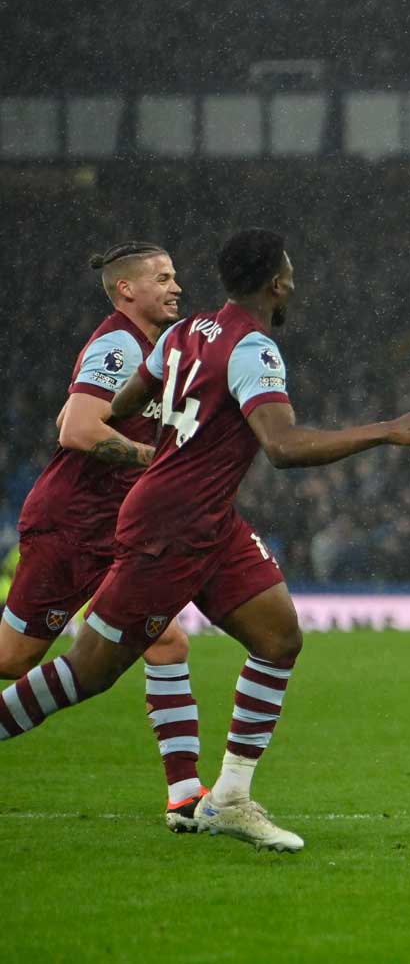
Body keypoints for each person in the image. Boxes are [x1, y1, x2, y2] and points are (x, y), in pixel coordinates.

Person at [0, 229, 410, 852]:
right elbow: (283, 447)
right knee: (87, 673)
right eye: (291, 275)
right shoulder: (254, 350)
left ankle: (228, 797)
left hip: (209, 520)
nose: (295, 285)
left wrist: (172, 434)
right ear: (275, 283)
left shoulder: (182, 334)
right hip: (167, 529)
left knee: (279, 638)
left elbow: (125, 400)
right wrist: (390, 430)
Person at [1, 241, 213, 830]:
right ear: (128, 289)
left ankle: (186, 795)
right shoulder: (119, 342)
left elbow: (74, 415)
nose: (176, 287)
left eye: (176, 276)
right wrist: (159, 461)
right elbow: (75, 429)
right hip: (72, 524)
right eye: (163, 277)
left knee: (167, 642)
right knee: (13, 659)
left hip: (115, 530)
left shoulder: (152, 349)